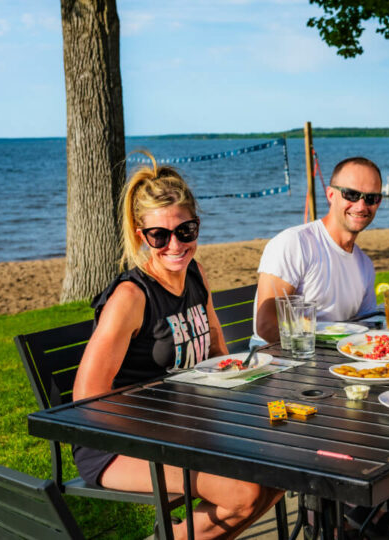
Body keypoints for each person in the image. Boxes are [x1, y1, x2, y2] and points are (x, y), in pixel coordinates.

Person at [72, 154, 283, 539]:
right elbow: (87, 397)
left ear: (196, 227)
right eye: (160, 235)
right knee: (244, 492)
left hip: (186, 428)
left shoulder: (195, 275)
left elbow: (217, 348)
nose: (175, 244)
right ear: (142, 236)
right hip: (118, 443)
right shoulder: (131, 298)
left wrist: (245, 383)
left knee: (286, 467)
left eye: (185, 231)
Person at [254, 157, 381, 343]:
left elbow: (367, 325)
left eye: (371, 198)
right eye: (351, 195)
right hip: (279, 359)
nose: (361, 206)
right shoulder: (295, 243)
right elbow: (266, 325)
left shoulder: (365, 265)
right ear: (330, 195)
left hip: (334, 359)